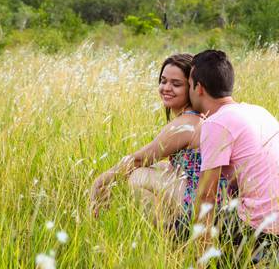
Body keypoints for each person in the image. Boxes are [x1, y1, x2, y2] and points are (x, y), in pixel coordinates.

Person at [188, 50, 279, 261]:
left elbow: (206, 196)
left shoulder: (216, 122)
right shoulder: (258, 111)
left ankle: (222, 265)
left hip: (265, 230)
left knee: (182, 224)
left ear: (199, 88)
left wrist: (199, 257)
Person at [89, 53, 217, 229]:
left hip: (202, 199)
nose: (166, 88)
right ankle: (168, 227)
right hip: (210, 194)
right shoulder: (196, 117)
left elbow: (138, 159)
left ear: (192, 88)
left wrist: (98, 184)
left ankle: (168, 233)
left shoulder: (185, 124)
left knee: (138, 174)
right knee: (157, 168)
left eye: (176, 84)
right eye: (163, 81)